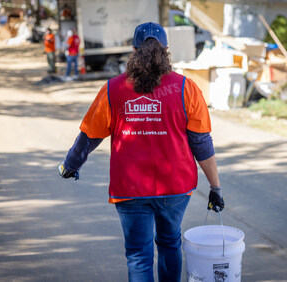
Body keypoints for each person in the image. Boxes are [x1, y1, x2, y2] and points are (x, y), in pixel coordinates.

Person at [58, 22, 224, 282]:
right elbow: (201, 142)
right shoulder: (185, 88)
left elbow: (90, 135)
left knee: (138, 253)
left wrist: (71, 164)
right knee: (170, 243)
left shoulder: (113, 89)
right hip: (175, 187)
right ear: (166, 50)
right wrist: (215, 187)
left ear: (133, 50)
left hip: (130, 188)